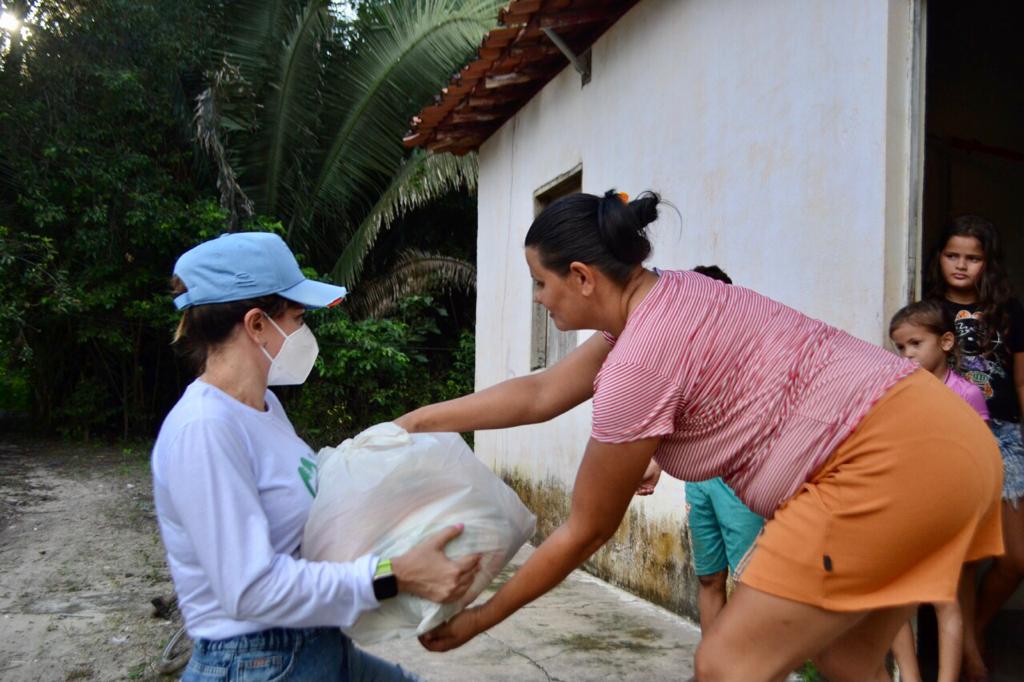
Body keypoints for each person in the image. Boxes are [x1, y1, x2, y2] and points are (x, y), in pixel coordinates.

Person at [397, 190, 1003, 682]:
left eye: (540, 282)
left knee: (724, 666)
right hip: (953, 441)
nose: (538, 297)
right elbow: (540, 393)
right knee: (849, 660)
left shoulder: (639, 360)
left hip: (883, 461)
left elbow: (587, 529)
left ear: (581, 277)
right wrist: (416, 422)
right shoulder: (675, 294)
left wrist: (483, 617)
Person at [152, 232, 481, 682]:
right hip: (257, 661)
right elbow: (251, 590)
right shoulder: (205, 430)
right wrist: (394, 575)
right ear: (256, 324)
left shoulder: (265, 409)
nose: (304, 332)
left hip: (312, 645)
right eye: (298, 317)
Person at [926, 215, 1024, 680]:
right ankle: (967, 653)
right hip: (950, 435)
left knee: (1015, 557)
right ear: (939, 258)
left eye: (973, 258)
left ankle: (978, 626)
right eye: (953, 256)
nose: (961, 266)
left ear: (988, 263)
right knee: (963, 556)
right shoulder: (928, 311)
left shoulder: (1011, 312)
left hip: (1006, 434)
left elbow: (1021, 380)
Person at [642, 265, 765, 635]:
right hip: (699, 481)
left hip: (742, 483)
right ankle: (713, 667)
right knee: (710, 578)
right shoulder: (682, 358)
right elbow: (673, 418)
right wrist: (654, 463)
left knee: (752, 584)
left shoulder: (750, 353)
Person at [888, 299, 989, 682]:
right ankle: (910, 678)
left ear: (946, 342)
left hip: (946, 510)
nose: (907, 354)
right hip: (902, 508)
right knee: (897, 601)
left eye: (915, 343)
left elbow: (978, 455)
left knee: (944, 601)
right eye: (901, 347)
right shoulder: (898, 391)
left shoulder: (967, 394)